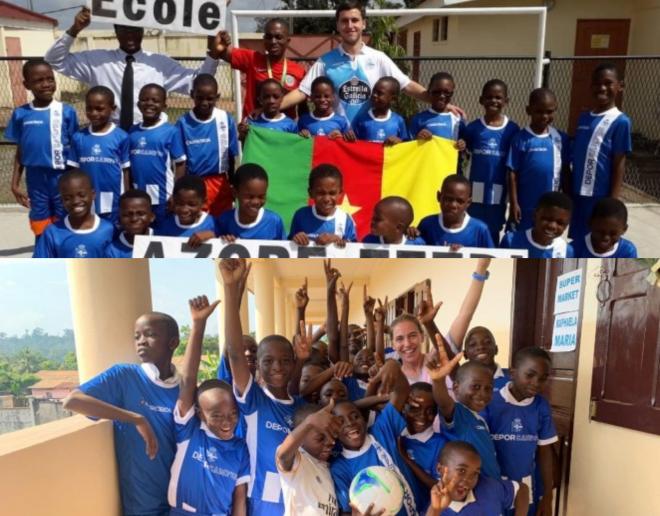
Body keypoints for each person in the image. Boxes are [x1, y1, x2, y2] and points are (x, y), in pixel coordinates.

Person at [62, 309, 182, 516]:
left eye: (150, 334)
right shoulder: (124, 376)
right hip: (142, 505)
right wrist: (135, 418)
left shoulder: (183, 388)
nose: (141, 341)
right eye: (137, 336)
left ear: (173, 343)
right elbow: (73, 401)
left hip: (181, 501)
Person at [220, 258, 308, 515]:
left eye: (284, 361)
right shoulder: (254, 400)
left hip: (298, 499)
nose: (277, 367)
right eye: (268, 361)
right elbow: (235, 352)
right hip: (262, 501)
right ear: (256, 365)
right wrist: (230, 288)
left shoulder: (301, 407)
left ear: (293, 364)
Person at [44, 6, 224, 128]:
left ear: (143, 31)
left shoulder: (159, 64)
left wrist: (214, 54)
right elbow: (54, 59)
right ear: (115, 31)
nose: (130, 34)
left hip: (148, 136)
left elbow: (198, 83)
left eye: (135, 29)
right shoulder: (97, 61)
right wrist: (75, 29)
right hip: (110, 136)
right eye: (124, 29)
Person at [281, 0, 434, 126]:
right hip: (339, 137)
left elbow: (406, 85)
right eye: (344, 21)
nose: (350, 26)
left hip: (369, 136)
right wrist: (269, 108)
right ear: (338, 25)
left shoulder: (378, 58)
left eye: (354, 20)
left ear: (364, 24)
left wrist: (438, 101)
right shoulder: (325, 61)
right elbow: (303, 91)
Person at [167, 295, 249, 516]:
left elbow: (239, 497)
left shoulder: (239, 448)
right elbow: (188, 379)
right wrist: (198, 325)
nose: (227, 421)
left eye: (232, 413)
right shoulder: (190, 432)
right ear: (199, 414)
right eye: (216, 415)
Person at [330, 360, 421, 516]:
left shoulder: (381, 430)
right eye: (341, 421)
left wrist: (393, 366)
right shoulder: (340, 468)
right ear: (334, 431)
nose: (351, 423)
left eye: (355, 416)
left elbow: (402, 391)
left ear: (365, 419)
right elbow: (346, 511)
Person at [6, 59, 79, 238]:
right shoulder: (21, 113)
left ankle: (63, 254)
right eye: (39, 80)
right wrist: (14, 183)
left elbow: (77, 148)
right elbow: (20, 150)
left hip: (62, 176)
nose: (46, 84)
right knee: (39, 219)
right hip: (35, 178)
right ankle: (43, 252)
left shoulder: (66, 111)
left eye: (50, 79)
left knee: (64, 219)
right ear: (27, 84)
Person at [483, 347, 557, 516]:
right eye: (530, 375)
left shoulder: (541, 406)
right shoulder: (490, 402)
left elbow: (545, 451)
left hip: (526, 486)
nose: (537, 383)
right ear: (513, 373)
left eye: (543, 378)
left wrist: (547, 496)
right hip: (493, 485)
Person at [391, 259, 492, 383]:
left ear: (422, 337)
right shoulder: (391, 376)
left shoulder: (440, 356)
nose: (407, 343)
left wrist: (481, 269)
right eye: (399, 338)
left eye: (412, 336)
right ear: (393, 344)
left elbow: (465, 315)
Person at [569, 63, 632, 242]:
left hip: (599, 196)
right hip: (578, 193)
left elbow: (619, 162)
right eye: (597, 83)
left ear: (619, 86)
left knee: (597, 240)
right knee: (579, 239)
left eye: (608, 83)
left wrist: (613, 200)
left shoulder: (621, 121)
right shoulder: (584, 117)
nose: (602, 88)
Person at [427, 340, 501, 479]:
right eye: (476, 387)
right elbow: (444, 403)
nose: (483, 394)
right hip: (475, 491)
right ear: (456, 388)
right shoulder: (459, 414)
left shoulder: (479, 419)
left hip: (492, 488)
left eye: (488, 388)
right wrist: (438, 380)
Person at [463, 79, 520, 244]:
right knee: (473, 226)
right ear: (481, 100)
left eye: (498, 97)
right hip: (476, 189)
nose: (493, 101)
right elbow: (463, 151)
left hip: (499, 190)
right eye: (489, 97)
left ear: (506, 101)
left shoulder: (512, 129)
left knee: (493, 229)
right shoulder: (473, 128)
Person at [215, 20, 307, 120]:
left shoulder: (299, 71)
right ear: (264, 40)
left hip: (284, 132)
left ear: (288, 41)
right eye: (269, 37)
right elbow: (219, 49)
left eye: (278, 37)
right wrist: (220, 37)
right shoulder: (252, 59)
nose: (273, 41)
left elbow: (303, 108)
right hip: (253, 128)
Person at [507, 88, 571, 231]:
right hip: (525, 206)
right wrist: (514, 203)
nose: (544, 116)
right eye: (539, 111)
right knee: (520, 241)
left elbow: (565, 171)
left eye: (549, 112)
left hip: (551, 207)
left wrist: (567, 202)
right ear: (529, 110)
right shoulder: (520, 139)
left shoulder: (561, 139)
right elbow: (512, 173)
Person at [176, 74, 239, 216]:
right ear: (192, 95)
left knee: (221, 225)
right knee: (199, 226)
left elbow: (231, 156)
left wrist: (233, 184)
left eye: (210, 99)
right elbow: (180, 162)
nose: (205, 103)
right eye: (200, 98)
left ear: (217, 97)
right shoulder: (183, 123)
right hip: (194, 184)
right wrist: (178, 190)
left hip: (219, 182)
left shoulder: (225, 119)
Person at [67, 86, 131, 224]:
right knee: (88, 228)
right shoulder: (78, 137)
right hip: (84, 197)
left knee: (111, 230)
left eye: (99, 109)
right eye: (89, 108)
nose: (94, 113)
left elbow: (125, 170)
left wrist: (126, 197)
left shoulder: (121, 137)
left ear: (112, 109)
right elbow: (73, 171)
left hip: (112, 196)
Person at [128, 84, 186, 223]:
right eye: (145, 99)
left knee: (162, 233)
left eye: (155, 100)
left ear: (164, 105)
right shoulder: (132, 131)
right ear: (138, 104)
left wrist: (175, 194)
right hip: (138, 197)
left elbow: (180, 163)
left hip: (162, 197)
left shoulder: (171, 131)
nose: (149, 103)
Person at [425, 441, 529, 516]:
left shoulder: (488, 487)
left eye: (475, 473)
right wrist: (435, 511)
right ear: (440, 469)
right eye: (461, 471)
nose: (468, 479)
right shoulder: (434, 510)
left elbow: (522, 489)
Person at [276, 402, 342, 515]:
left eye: (332, 436)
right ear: (301, 441)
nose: (331, 442)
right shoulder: (299, 460)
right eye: (320, 438)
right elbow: (282, 456)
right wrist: (309, 422)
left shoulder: (327, 468)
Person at [33, 170, 114, 258]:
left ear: (93, 195)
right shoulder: (52, 232)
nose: (75, 201)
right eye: (68, 198)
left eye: (82, 195)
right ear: (62, 200)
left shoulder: (108, 230)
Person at [399, 382, 449, 512]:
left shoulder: (440, 444)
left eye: (430, 411)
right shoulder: (396, 435)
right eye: (415, 408)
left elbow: (438, 487)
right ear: (404, 407)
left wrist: (405, 458)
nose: (422, 416)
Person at [289, 164, 358, 246]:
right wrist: (296, 238)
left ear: (340, 193)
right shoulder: (301, 215)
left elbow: (354, 250)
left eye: (332, 193)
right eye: (321, 193)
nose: (326, 199)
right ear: (310, 193)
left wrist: (338, 240)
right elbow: (288, 246)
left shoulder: (345, 219)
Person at [418, 175, 494, 249]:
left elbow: (491, 259)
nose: (453, 205)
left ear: (468, 202)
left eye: (460, 201)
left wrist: (462, 254)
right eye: (448, 199)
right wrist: (411, 234)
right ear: (439, 196)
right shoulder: (427, 224)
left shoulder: (479, 230)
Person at [215, 163, 288, 241]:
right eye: (250, 197)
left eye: (261, 197)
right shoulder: (224, 220)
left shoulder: (274, 222)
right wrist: (223, 241)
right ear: (235, 193)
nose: (256, 202)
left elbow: (285, 248)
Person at [500, 191, 575, 258]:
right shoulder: (511, 241)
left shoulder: (566, 251)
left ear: (566, 225)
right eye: (547, 219)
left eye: (560, 223)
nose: (552, 226)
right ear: (535, 215)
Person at [155, 175, 218, 248]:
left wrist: (213, 234)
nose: (184, 210)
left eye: (191, 205)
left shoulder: (214, 224)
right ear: (173, 201)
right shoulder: (165, 224)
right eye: (180, 203)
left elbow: (228, 241)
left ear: (204, 203)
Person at [410, 72, 465, 145]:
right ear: (429, 91)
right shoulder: (418, 119)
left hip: (449, 156)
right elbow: (408, 144)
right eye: (436, 92)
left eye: (446, 92)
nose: (442, 96)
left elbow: (464, 141)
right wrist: (418, 138)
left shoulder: (457, 119)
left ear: (452, 93)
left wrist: (462, 144)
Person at [572, 197, 637, 258]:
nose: (606, 238)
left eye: (613, 234)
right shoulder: (574, 248)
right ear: (590, 224)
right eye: (600, 232)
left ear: (624, 229)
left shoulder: (628, 251)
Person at [352, 76, 409, 144]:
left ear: (393, 99)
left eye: (380, 93)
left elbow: (406, 146)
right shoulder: (361, 119)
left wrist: (399, 141)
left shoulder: (398, 120)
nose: (374, 95)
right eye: (374, 91)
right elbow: (355, 146)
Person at [104, 189, 156, 258]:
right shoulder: (112, 252)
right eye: (127, 214)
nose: (134, 219)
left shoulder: (166, 241)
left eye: (141, 214)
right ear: (119, 219)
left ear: (151, 217)